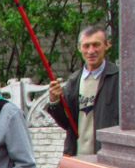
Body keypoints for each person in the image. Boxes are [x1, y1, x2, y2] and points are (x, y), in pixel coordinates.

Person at [46, 24, 119, 156]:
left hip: (109, 158)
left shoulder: (119, 79)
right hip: (78, 158)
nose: (91, 51)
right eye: (86, 46)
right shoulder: (73, 81)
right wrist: (54, 101)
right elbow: (66, 123)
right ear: (79, 48)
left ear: (107, 45)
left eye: (96, 45)